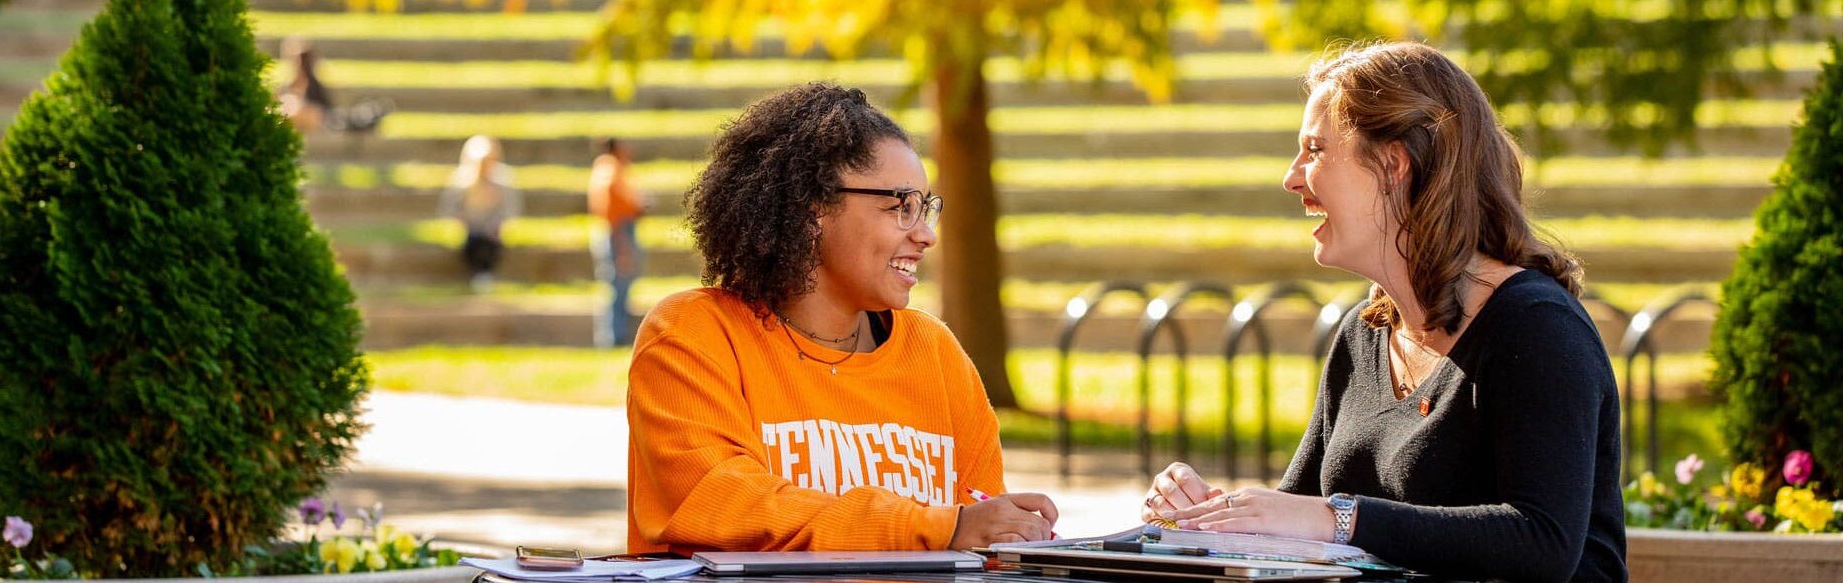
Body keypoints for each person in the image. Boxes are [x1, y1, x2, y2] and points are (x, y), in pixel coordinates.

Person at [1141, 42, 1627, 582]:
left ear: (1393, 164)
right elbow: (1295, 520)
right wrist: (1205, 515)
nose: (1292, 177)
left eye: (1315, 150)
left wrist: (1341, 519)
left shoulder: (1537, 327)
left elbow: (1543, 541)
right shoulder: (1363, 335)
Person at [626, 83, 1057, 554]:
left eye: (927, 208)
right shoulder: (691, 333)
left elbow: (979, 538)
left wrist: (1011, 536)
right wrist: (937, 528)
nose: (927, 235)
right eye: (901, 206)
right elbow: (722, 502)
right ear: (812, 209)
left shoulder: (934, 351)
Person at [440, 135, 519, 292]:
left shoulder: (502, 182)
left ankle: (484, 274)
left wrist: (496, 224)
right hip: (471, 230)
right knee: (474, 242)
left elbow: (509, 211)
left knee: (490, 244)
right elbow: (450, 210)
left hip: (492, 231)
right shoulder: (461, 182)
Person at [588, 137, 646, 347]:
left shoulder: (611, 169)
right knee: (616, 286)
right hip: (619, 232)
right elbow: (612, 210)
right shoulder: (609, 171)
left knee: (619, 286)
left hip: (619, 231)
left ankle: (615, 335)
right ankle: (613, 337)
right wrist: (622, 246)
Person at [276, 36, 392, 135]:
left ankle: (367, 115)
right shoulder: (288, 90)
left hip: (328, 118)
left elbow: (325, 107)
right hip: (325, 121)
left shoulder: (313, 84)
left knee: (349, 119)